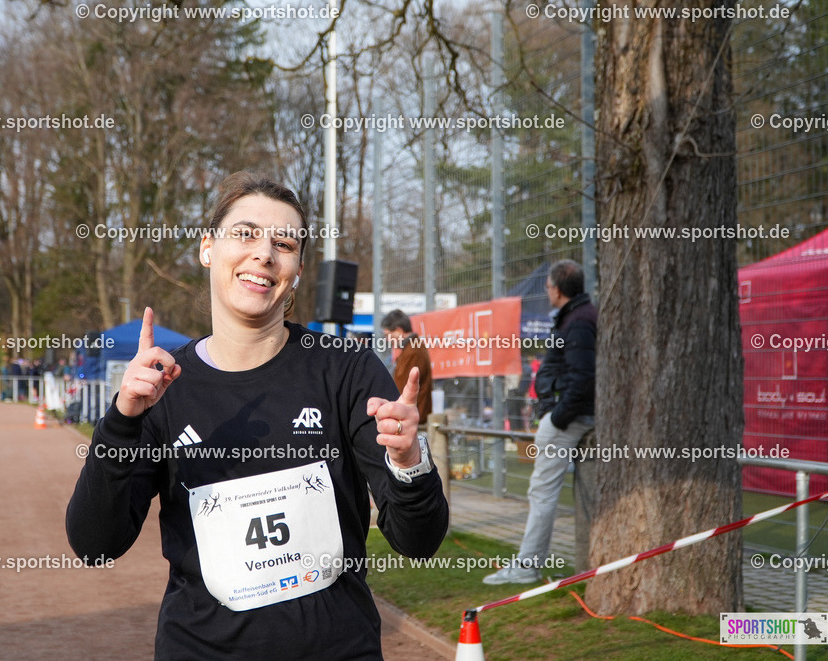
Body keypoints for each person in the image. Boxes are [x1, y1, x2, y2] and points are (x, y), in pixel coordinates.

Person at [66, 172, 448, 659]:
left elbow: (418, 542)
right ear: (207, 248)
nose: (264, 254)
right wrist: (121, 422)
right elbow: (95, 544)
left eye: (283, 243)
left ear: (298, 269)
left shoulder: (347, 370)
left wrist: (410, 462)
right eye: (245, 234)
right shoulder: (162, 388)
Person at [483, 259, 597, 584]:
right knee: (543, 492)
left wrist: (557, 417)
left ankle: (526, 566)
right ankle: (531, 563)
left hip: (568, 419)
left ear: (557, 289)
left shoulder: (579, 320)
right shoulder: (578, 316)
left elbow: (583, 378)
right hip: (570, 414)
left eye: (548, 286)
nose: (546, 291)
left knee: (541, 493)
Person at [380, 309, 433, 425]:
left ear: (399, 331)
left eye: (388, 335)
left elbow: (402, 389)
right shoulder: (412, 349)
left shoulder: (413, 352)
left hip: (411, 419)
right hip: (411, 417)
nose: (388, 340)